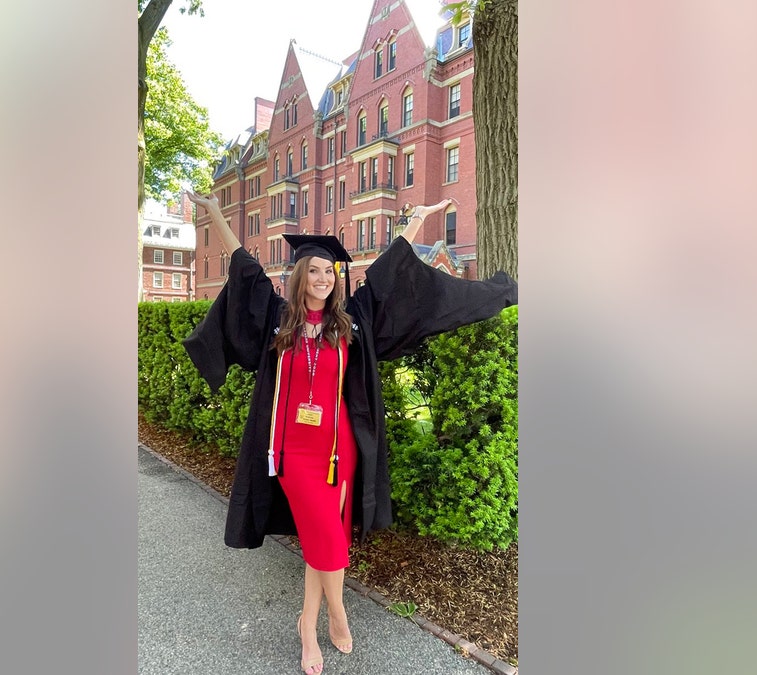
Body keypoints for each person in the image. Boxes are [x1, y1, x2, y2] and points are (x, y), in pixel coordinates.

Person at [182, 191, 516, 675]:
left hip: (339, 451)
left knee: (326, 539)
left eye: (329, 272)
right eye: (314, 270)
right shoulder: (280, 322)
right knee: (328, 541)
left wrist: (414, 224)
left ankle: (308, 624)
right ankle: (336, 617)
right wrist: (214, 212)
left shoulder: (349, 322)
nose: (322, 278)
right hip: (293, 452)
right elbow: (241, 265)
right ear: (300, 276)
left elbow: (386, 278)